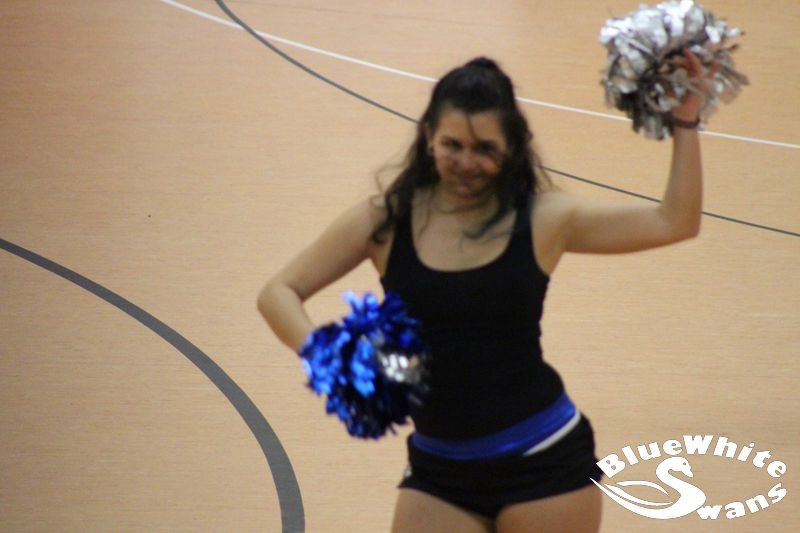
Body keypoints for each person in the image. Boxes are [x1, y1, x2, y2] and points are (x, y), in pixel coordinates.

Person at [257, 52, 714, 532]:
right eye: (452, 145)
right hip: (439, 470)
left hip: (545, 461)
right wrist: (329, 354)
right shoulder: (385, 220)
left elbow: (675, 222)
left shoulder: (546, 219)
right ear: (428, 135)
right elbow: (278, 292)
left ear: (512, 146)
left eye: (485, 148)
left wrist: (686, 124)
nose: (466, 163)